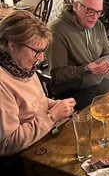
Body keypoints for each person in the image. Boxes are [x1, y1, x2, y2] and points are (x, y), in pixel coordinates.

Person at [0, 11, 76, 156]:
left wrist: (53, 105)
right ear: (13, 46)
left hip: (41, 137)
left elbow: (34, 101)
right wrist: (52, 116)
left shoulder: (22, 66)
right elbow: (6, 144)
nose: (41, 58)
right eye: (37, 51)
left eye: (43, 51)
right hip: (23, 158)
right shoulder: (3, 82)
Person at [47, 0, 109, 111]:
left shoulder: (97, 25)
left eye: (99, 12)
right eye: (90, 11)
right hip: (73, 91)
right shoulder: (57, 30)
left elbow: (107, 51)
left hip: (97, 82)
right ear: (75, 6)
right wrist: (86, 69)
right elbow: (57, 75)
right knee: (103, 114)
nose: (95, 17)